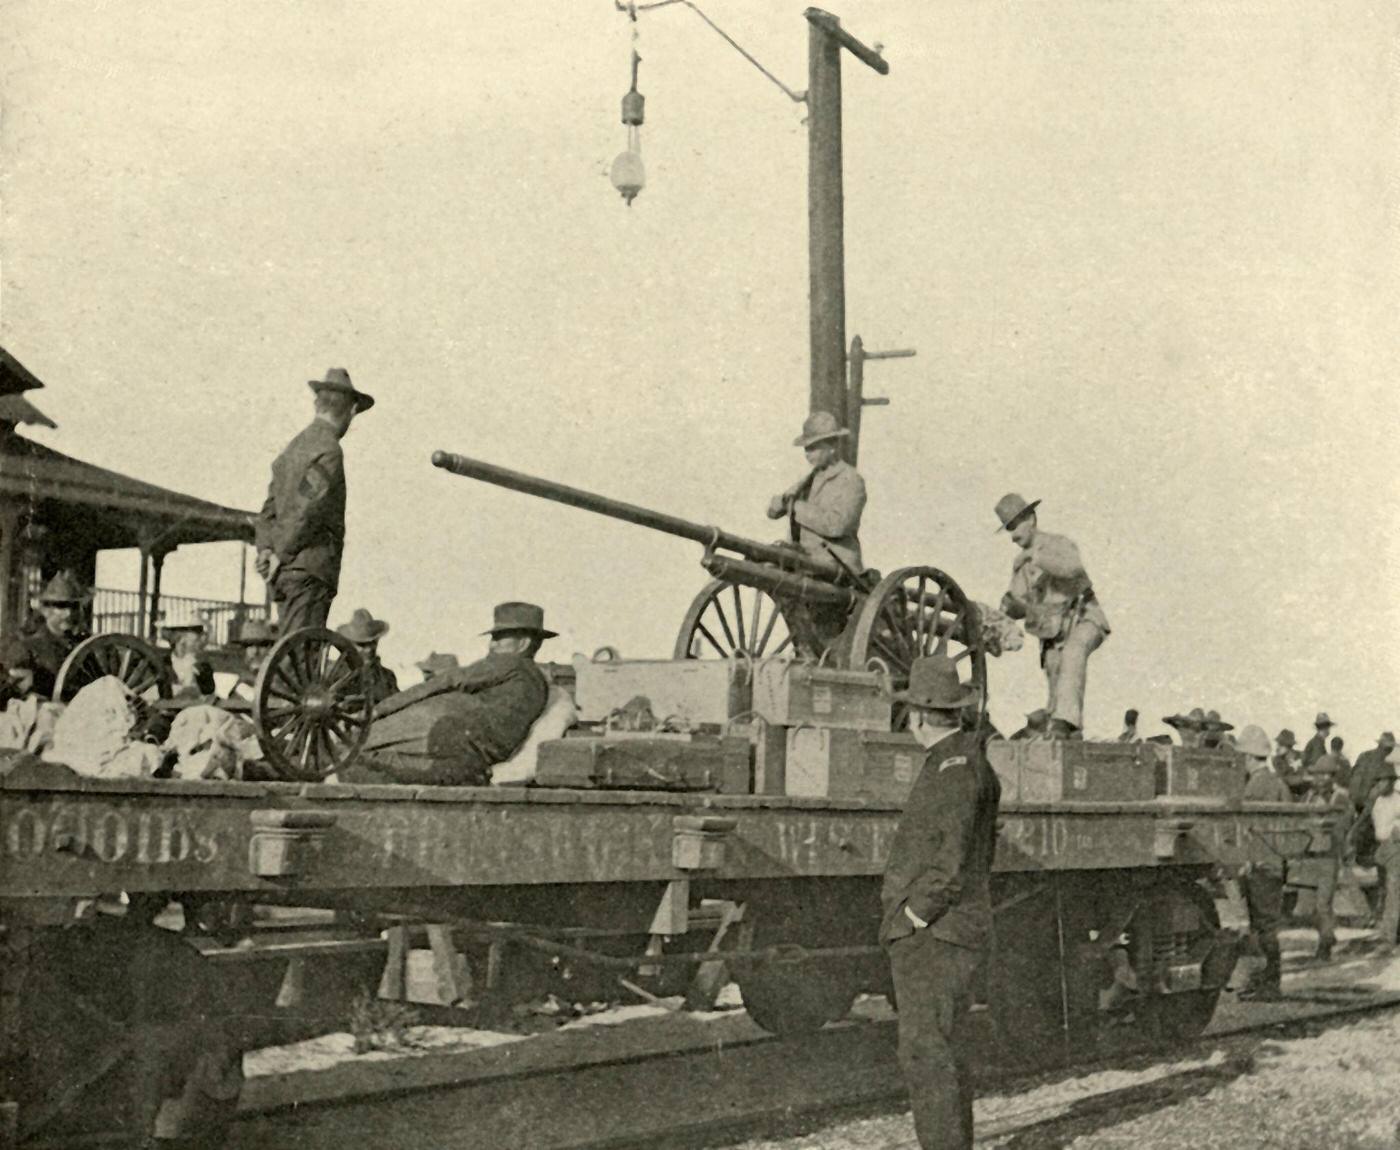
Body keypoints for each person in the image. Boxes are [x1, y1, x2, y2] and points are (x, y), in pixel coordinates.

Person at [880, 655, 999, 1150]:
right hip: (951, 932)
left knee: (926, 1052)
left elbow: (947, 862)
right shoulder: (968, 760)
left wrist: (913, 918)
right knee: (945, 1048)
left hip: (938, 934)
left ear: (919, 716)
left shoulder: (951, 768)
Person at [347, 602, 555, 786]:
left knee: (351, 745)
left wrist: (376, 711)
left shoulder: (511, 663)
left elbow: (448, 680)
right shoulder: (536, 681)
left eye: (499, 637)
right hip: (471, 755)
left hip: (444, 732)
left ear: (524, 643)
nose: (492, 644)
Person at [255, 368, 374, 635]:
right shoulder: (329, 450)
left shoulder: (292, 448)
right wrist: (280, 554)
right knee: (300, 661)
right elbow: (306, 508)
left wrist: (266, 549)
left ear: (317, 404)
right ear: (351, 411)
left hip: (283, 573)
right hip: (310, 570)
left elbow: (268, 510)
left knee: (291, 653)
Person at [994, 493, 1109, 740]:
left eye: (1015, 526)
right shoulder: (1021, 565)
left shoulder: (1057, 544)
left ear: (1032, 519)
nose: (1013, 535)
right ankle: (1068, 732)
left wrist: (1035, 556)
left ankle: (1064, 723)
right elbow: (1020, 603)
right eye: (1008, 529)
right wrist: (1005, 610)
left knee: (1074, 652)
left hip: (1084, 618)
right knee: (1056, 674)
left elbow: (1072, 568)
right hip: (1053, 630)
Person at [766, 411, 866, 576]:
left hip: (836, 565)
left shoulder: (851, 480)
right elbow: (773, 511)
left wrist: (797, 507)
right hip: (804, 560)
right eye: (806, 448)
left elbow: (837, 525)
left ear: (832, 447)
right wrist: (779, 504)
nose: (807, 454)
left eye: (813, 448)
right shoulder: (810, 479)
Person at [1238, 723, 1293, 1000]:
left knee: (1262, 928)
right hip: (1275, 864)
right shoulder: (1279, 784)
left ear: (1248, 757)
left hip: (1258, 865)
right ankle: (1267, 982)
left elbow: (1245, 830)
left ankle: (1268, 984)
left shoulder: (1253, 787)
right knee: (1268, 926)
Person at [2, 571, 92, 701]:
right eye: (61, 607)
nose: (68, 613)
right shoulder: (28, 648)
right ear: (45, 610)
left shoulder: (88, 646)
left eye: (74, 607)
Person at [1306, 756, 1353, 962]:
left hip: (1328, 854)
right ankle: (1328, 936)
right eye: (1317, 774)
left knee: (1323, 903)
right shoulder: (1309, 796)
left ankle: (1324, 945)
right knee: (1310, 905)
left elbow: (1341, 827)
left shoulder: (1339, 798)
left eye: (1324, 775)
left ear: (1331, 776)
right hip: (1309, 853)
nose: (1319, 779)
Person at [335, 608, 398, 705]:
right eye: (362, 645)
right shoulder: (337, 679)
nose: (369, 649)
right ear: (349, 645)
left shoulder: (387, 677)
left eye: (373, 643)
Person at [1370, 758, 1400, 954]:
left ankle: (1389, 938)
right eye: (1378, 781)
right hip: (1382, 848)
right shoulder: (1378, 801)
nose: (1381, 784)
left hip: (1396, 848)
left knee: (1393, 892)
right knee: (1386, 892)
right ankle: (1388, 934)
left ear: (1392, 781)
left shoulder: (1398, 799)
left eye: (1384, 781)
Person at [162, 622, 216, 698]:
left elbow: (209, 690)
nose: (199, 644)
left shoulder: (202, 665)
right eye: (195, 640)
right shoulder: (165, 663)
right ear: (181, 641)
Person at [226, 619, 276, 701]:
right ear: (244, 649)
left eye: (262, 645)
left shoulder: (278, 677)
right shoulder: (235, 675)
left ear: (270, 647)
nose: (255, 651)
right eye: (250, 645)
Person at [1350, 731, 1396, 812]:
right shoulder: (1387, 762)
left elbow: (1353, 776)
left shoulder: (1364, 755)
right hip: (1371, 805)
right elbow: (1388, 788)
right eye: (1390, 748)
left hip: (1355, 801)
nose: (1391, 750)